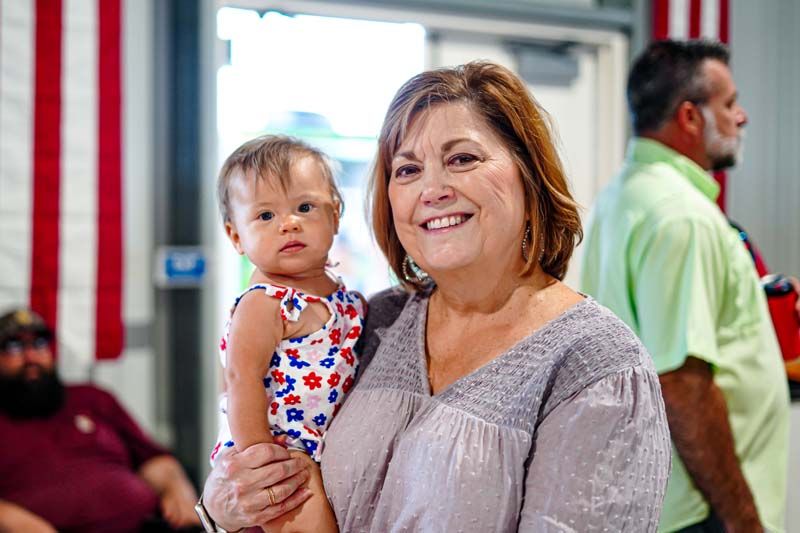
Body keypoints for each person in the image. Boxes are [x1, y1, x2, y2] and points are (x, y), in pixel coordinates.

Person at [197, 61, 672, 532]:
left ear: (528, 175)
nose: (432, 189)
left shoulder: (594, 363)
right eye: (407, 169)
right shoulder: (375, 322)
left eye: (462, 159)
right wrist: (219, 512)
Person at [580, 40, 790, 533]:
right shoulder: (680, 217)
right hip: (705, 510)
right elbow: (681, 385)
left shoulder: (623, 196)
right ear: (691, 118)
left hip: (658, 498)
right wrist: (743, 521)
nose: (742, 118)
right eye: (729, 104)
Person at [209, 135, 366, 532]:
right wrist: (261, 459)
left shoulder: (347, 297)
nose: (289, 223)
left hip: (324, 445)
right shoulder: (266, 303)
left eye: (305, 207)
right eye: (265, 216)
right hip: (285, 451)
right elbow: (240, 379)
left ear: (335, 215)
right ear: (236, 236)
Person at [0, 307, 201, 533]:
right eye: (14, 347)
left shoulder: (93, 398)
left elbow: (152, 459)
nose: (31, 357)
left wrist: (177, 489)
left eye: (39, 344)